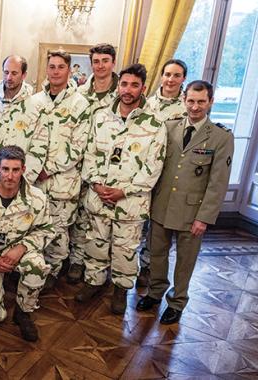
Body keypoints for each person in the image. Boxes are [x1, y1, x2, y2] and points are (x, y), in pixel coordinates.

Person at [137, 80, 234, 324]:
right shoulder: (168, 128)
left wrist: (204, 217)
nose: (195, 106)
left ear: (210, 102)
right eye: (191, 100)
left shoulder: (221, 137)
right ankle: (155, 292)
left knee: (185, 261)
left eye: (201, 101)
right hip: (161, 205)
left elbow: (218, 182)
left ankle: (177, 301)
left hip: (193, 212)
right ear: (184, 100)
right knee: (157, 255)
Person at [76, 64, 166, 315]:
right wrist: (96, 183)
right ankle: (93, 282)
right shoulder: (102, 117)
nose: (127, 90)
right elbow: (89, 154)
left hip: (130, 203)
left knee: (126, 250)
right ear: (119, 85)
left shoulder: (155, 124)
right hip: (99, 197)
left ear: (143, 88)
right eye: (124, 84)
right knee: (95, 243)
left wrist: (123, 191)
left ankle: (120, 290)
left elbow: (153, 167)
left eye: (134, 85)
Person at [0, 145, 52, 342]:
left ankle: (24, 312)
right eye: (5, 169)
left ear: (23, 170)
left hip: (20, 251)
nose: (10, 175)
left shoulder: (37, 198)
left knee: (37, 266)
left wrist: (22, 247)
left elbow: (46, 230)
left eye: (16, 170)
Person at [30, 50, 91, 290]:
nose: (55, 71)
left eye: (60, 67)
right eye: (52, 66)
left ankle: (52, 272)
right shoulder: (35, 101)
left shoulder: (80, 104)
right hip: (35, 181)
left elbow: (79, 146)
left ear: (69, 70)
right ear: (47, 69)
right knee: (35, 226)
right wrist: (35, 169)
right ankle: (34, 269)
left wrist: (49, 168)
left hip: (63, 181)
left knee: (57, 230)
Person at [68, 43, 120, 284]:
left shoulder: (123, 94)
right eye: (96, 61)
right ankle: (76, 261)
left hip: (107, 169)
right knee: (80, 216)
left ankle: (99, 271)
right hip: (78, 166)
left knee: (101, 222)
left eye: (105, 61)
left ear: (113, 63)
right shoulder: (78, 93)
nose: (100, 66)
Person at [136, 58, 189, 287]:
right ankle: (126, 265)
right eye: (167, 74)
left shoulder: (187, 107)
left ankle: (148, 267)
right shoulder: (146, 104)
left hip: (169, 172)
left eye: (176, 75)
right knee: (139, 221)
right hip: (144, 169)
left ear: (183, 79)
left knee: (158, 226)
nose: (170, 79)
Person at [0, 55, 45, 186]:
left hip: (20, 181)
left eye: (14, 73)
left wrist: (23, 179)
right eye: (6, 72)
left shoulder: (37, 107)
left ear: (24, 75)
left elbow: (39, 148)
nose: (9, 77)